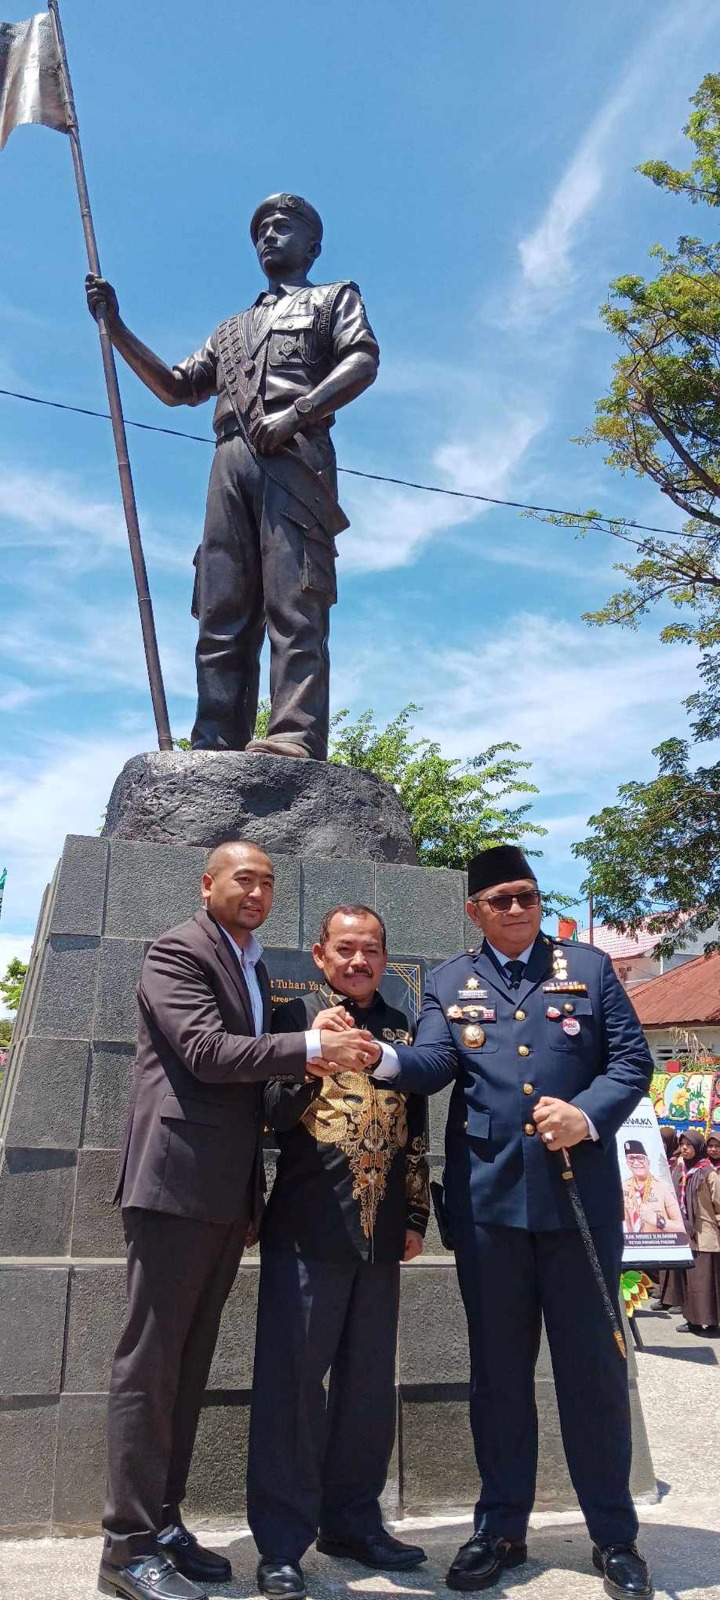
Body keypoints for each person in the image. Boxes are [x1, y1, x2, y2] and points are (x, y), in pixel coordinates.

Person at [371, 844, 654, 1600]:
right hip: (489, 1209)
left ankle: (614, 1535)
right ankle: (500, 1526)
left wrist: (585, 1115)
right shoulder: (447, 981)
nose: (518, 908)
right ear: (475, 911)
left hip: (577, 1207)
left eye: (527, 895)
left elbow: (631, 1063)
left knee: (593, 1376)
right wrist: (379, 1058)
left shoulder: (589, 971)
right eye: (501, 899)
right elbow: (432, 1063)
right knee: (498, 1378)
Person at [99, 843, 378, 1600]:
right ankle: (124, 1550)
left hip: (224, 1193)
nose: (255, 892)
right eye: (242, 879)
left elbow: (253, 1094)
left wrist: (254, 1191)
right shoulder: (177, 950)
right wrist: (315, 1047)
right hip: (172, 1185)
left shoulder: (252, 964)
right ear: (208, 884)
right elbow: (206, 1051)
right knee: (149, 1367)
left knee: (186, 1369)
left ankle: (162, 1520)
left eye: (266, 882)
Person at [86, 194, 379, 760]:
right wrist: (116, 327)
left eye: (283, 225)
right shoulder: (230, 332)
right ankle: (216, 739)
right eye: (261, 229)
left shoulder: (333, 299)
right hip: (230, 459)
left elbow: (362, 361)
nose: (269, 234)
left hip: (294, 456)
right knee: (221, 605)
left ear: (312, 245)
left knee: (295, 602)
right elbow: (176, 388)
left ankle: (294, 734)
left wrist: (298, 413)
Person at [246, 905, 430, 1600]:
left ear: (385, 958)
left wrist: (415, 1216)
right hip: (307, 1231)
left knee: (367, 1390)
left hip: (381, 1234)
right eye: (345, 950)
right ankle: (282, 1543)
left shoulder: (402, 1028)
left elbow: (415, 1131)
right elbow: (264, 1109)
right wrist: (312, 1056)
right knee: (292, 1389)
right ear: (320, 957)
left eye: (372, 950)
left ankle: (353, 1521)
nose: (359, 961)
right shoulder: (292, 1019)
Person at [673, 1130, 720, 1335]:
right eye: (682, 1144)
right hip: (685, 1235)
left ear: (697, 1147)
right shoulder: (682, 1170)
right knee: (690, 1282)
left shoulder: (708, 1173)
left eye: (689, 1145)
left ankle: (710, 1324)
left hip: (705, 1235)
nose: (684, 1148)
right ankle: (692, 1320)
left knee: (706, 1282)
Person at [621, 1139, 684, 1234]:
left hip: (660, 1245)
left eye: (640, 1158)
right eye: (631, 1158)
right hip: (635, 1246)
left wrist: (656, 1220)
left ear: (648, 1161)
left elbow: (681, 1228)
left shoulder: (663, 1187)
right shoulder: (623, 1186)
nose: (636, 1163)